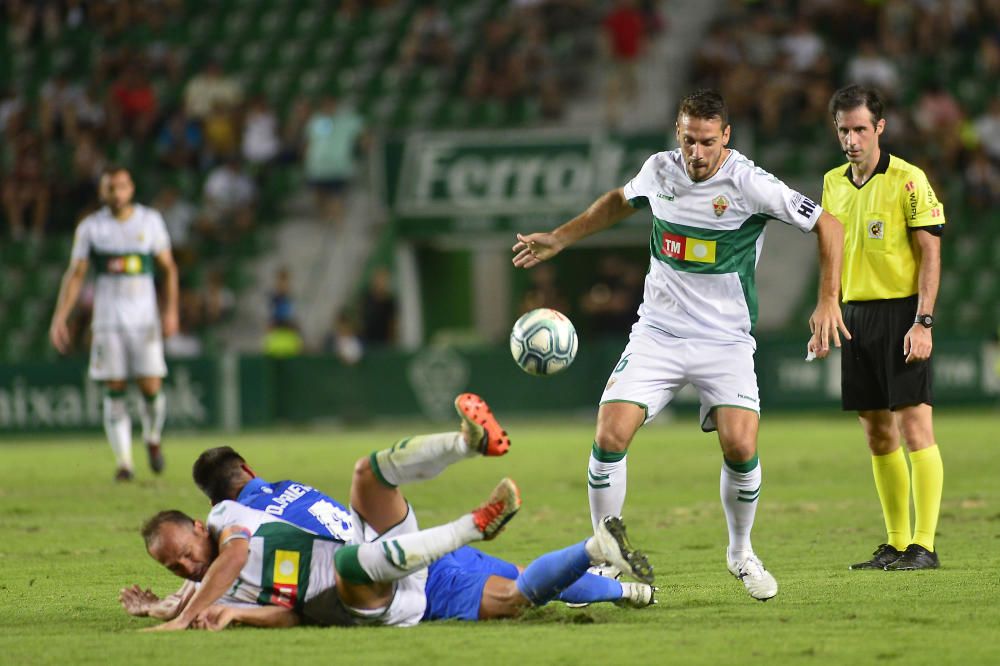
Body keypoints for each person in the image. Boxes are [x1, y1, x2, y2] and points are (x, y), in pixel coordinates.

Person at [512, 89, 849, 601]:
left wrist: (828, 300)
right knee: (610, 433)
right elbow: (618, 202)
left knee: (740, 444)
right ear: (678, 132)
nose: (696, 153)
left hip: (725, 340)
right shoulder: (660, 170)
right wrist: (561, 237)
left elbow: (829, 224)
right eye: (689, 140)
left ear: (726, 137)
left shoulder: (749, 183)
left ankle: (741, 551)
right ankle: (605, 555)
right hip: (659, 333)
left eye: (708, 142)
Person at [124, 394, 654, 630]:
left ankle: (595, 557)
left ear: (209, 508)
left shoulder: (234, 524)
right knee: (369, 474)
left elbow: (218, 574)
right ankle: (630, 587)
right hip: (391, 535)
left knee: (517, 594)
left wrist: (172, 605)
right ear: (248, 467)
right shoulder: (285, 489)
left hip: (385, 573)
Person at [821, 85, 945, 571]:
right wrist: (827, 304)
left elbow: (931, 253)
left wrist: (923, 321)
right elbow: (830, 251)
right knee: (877, 432)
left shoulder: (908, 179)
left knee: (915, 425)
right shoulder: (832, 183)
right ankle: (896, 543)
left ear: (880, 129)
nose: (852, 139)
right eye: (844, 130)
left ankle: (925, 544)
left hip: (901, 313)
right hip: (855, 315)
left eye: (860, 129)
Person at [49, 166, 179, 481]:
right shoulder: (91, 228)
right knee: (114, 386)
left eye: (121, 187)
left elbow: (169, 268)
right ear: (102, 192)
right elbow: (76, 273)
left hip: (145, 320)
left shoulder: (149, 221)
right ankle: (124, 462)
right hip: (108, 322)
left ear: (131, 189)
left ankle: (152, 437)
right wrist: (60, 317)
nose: (116, 193)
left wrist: (171, 310)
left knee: (150, 385)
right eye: (110, 188)